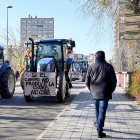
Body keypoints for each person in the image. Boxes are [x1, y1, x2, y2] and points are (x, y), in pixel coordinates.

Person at [85, 51, 117, 138]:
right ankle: (99, 129)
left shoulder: (91, 67)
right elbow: (114, 82)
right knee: (102, 112)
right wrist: (110, 91)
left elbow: (87, 81)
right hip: (105, 93)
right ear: (104, 57)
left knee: (97, 111)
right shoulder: (109, 66)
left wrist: (91, 90)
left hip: (95, 93)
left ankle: (98, 126)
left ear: (96, 57)